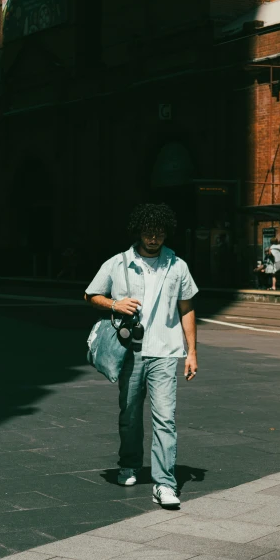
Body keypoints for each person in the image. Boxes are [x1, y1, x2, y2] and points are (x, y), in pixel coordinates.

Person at [84, 203, 198, 509]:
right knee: (130, 414)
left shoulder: (177, 265)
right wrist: (114, 305)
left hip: (165, 352)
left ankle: (165, 483)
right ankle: (130, 464)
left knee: (165, 419)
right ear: (139, 231)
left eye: (159, 232)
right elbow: (90, 294)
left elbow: (187, 308)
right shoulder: (117, 264)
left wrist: (192, 353)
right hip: (130, 353)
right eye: (148, 232)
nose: (154, 237)